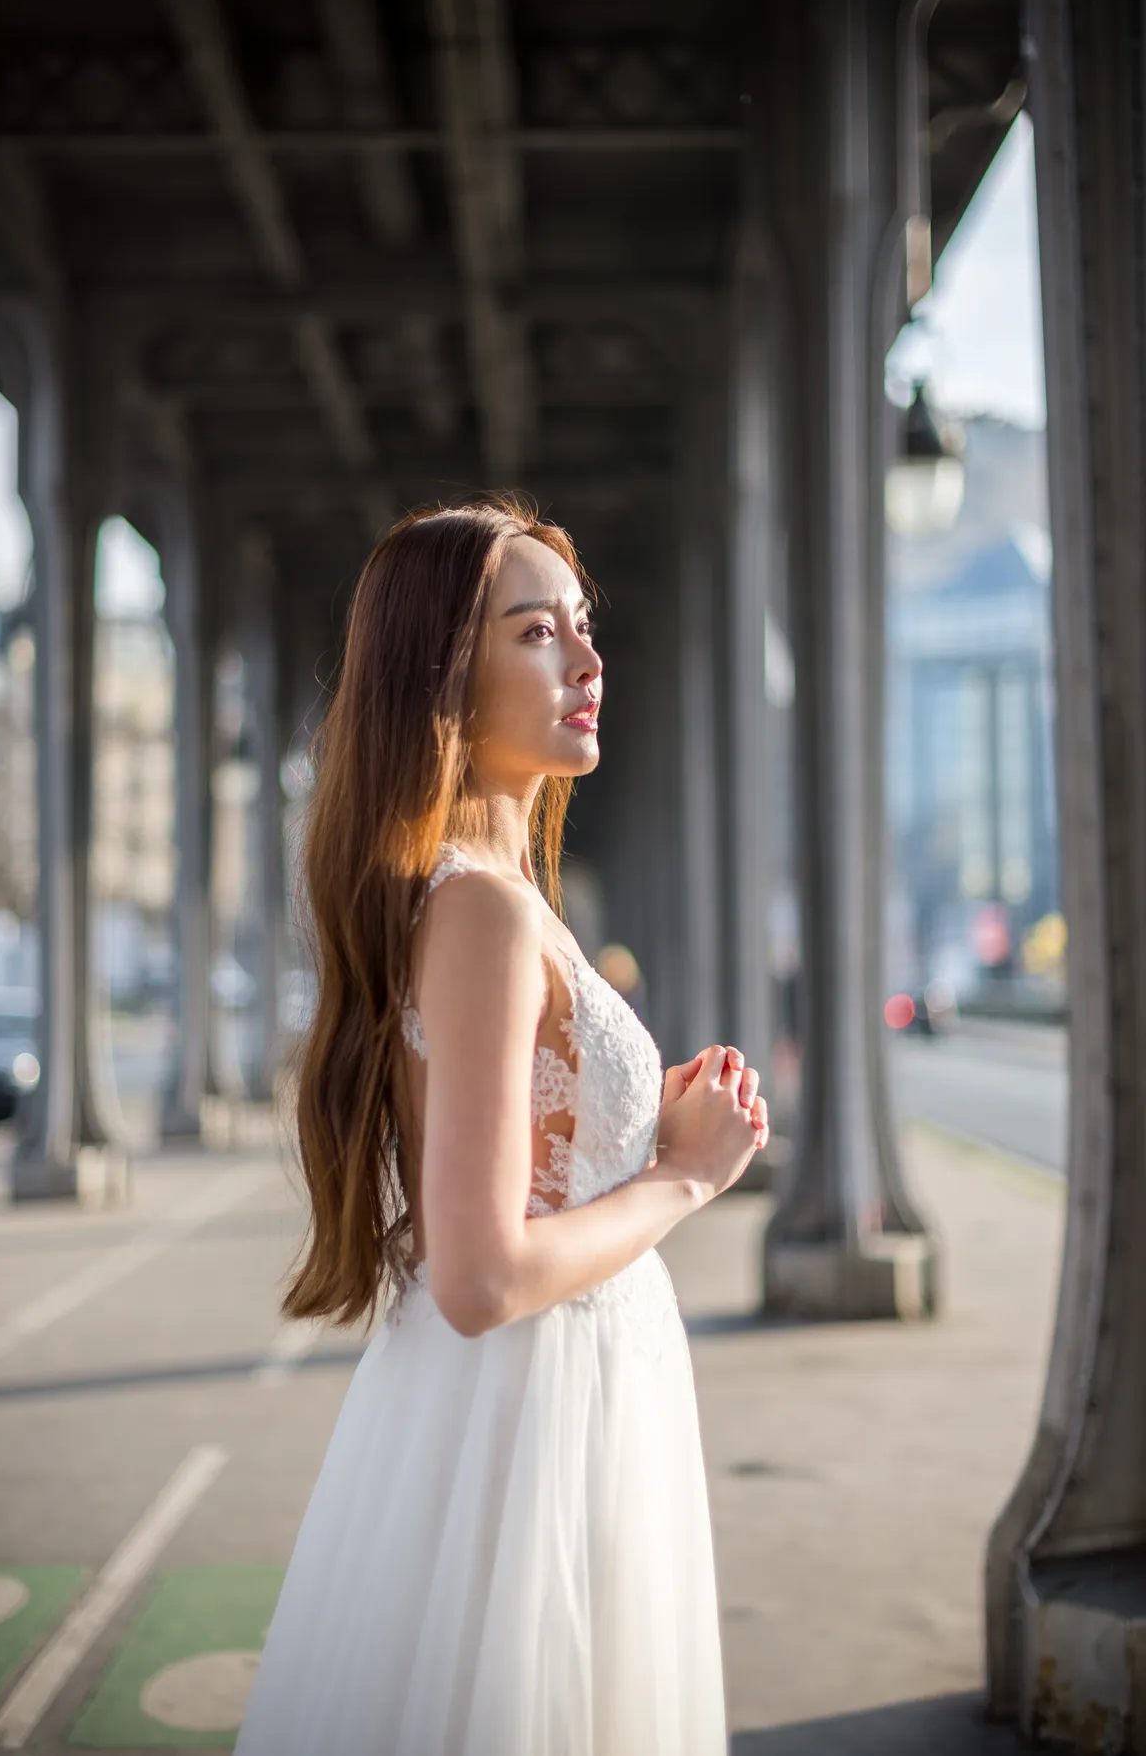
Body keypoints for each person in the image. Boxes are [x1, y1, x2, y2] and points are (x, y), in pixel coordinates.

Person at [233, 497, 769, 1756]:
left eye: (582, 626)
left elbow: (523, 1168)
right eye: (537, 632)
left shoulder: (495, 892)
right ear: (444, 679)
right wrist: (685, 1177)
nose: (588, 660)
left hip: (549, 1395)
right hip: (532, 1415)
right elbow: (481, 1276)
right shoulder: (480, 910)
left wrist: (626, 1128)